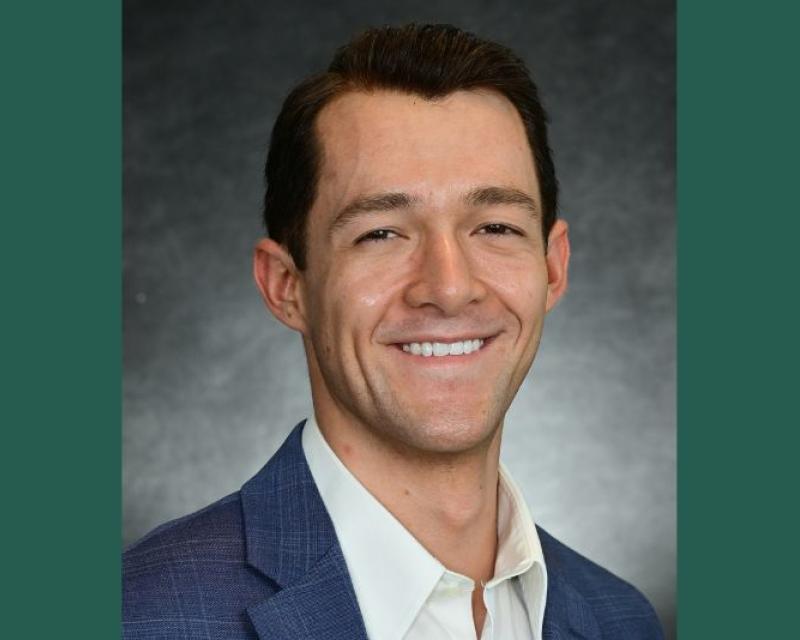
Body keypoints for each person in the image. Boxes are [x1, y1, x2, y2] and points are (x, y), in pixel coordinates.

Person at [123, 23, 664, 640]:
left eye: (495, 227)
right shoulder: (137, 618)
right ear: (286, 285)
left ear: (552, 267)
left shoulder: (619, 620)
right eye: (381, 233)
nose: (450, 285)